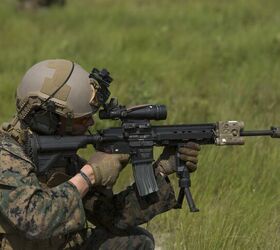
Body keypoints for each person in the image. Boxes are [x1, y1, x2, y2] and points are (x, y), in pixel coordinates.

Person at [0, 59, 201, 250]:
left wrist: (162, 170)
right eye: (81, 119)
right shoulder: (5, 156)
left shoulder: (63, 159)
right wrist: (88, 176)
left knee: (136, 241)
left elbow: (112, 216)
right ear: (48, 119)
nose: (90, 124)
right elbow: (35, 220)